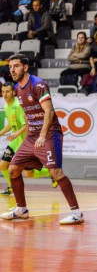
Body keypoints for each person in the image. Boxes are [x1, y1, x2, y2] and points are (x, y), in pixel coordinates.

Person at [0, 54, 84, 225]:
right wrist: (29, 135)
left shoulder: (38, 84)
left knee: (56, 172)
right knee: (14, 169)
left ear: (25, 67)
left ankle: (76, 213)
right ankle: (21, 209)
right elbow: (27, 113)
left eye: (16, 66)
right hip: (31, 136)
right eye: (10, 67)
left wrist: (43, 136)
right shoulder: (17, 88)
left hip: (49, 133)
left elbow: (49, 111)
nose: (12, 70)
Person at [0, 82, 57, 196]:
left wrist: (17, 133)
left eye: (7, 92)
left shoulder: (18, 106)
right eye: (3, 92)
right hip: (16, 142)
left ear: (13, 92)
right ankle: (11, 187)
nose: (5, 94)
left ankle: (52, 173)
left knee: (29, 174)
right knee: (3, 165)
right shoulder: (7, 106)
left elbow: (28, 124)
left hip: (24, 142)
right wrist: (1, 133)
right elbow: (11, 124)